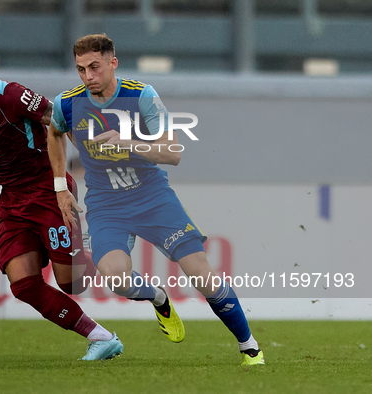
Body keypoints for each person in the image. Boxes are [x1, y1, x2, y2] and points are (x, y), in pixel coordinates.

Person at [47, 33, 264, 366]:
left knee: (201, 275)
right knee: (115, 277)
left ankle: (249, 347)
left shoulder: (141, 95)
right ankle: (159, 298)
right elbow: (54, 132)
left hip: (152, 196)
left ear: (112, 63)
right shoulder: (67, 103)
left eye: (94, 67)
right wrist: (61, 185)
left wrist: (127, 142)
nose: (88, 76)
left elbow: (174, 153)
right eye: (80, 69)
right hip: (106, 203)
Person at [0, 36, 123, 361]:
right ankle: (100, 337)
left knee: (71, 284)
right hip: (12, 200)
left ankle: (96, 240)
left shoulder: (11, 95)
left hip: (48, 189)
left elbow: (61, 120)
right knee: (23, 284)